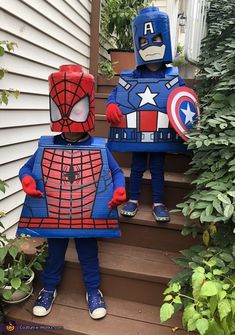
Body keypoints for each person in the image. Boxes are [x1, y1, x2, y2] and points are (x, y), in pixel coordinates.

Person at [18, 64, 126, 319]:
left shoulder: (99, 147)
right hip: (55, 213)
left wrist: (119, 189)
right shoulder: (47, 146)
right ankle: (49, 288)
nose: (68, 116)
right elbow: (26, 169)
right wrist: (28, 181)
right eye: (61, 109)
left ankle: (93, 290)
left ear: (87, 109)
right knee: (55, 252)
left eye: (76, 109)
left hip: (87, 214)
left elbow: (117, 172)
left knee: (88, 252)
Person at [105, 7, 198, 222]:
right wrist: (111, 105)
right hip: (137, 131)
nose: (151, 45)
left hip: (160, 132)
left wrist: (190, 110)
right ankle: (133, 199)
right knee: (137, 167)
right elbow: (116, 94)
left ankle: (158, 202)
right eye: (145, 41)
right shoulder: (133, 75)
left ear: (164, 38)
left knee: (157, 168)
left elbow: (183, 97)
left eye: (156, 39)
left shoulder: (172, 76)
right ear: (139, 43)